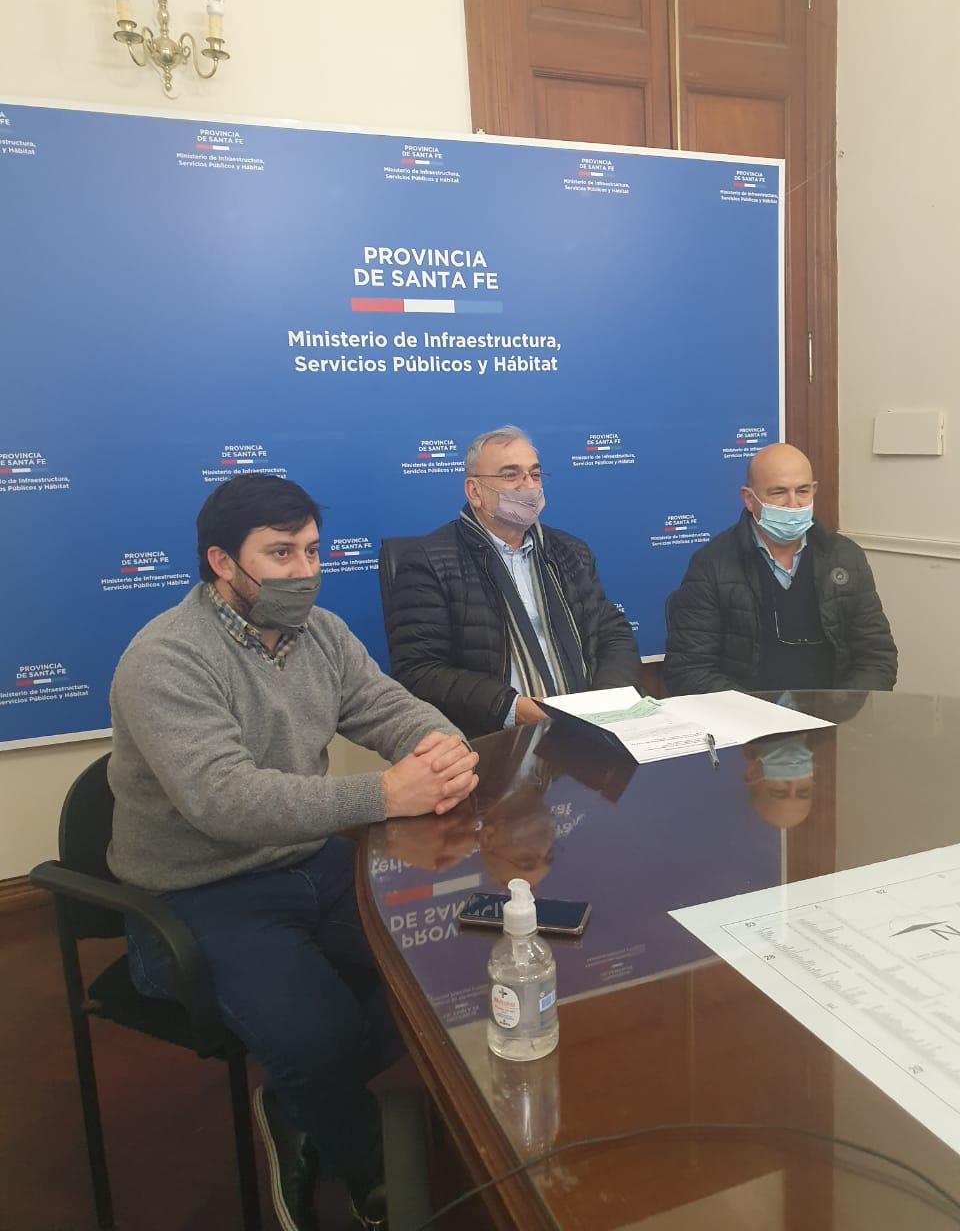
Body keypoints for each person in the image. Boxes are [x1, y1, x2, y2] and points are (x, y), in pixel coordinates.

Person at [107, 473, 479, 1231]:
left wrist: (442, 748)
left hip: (308, 862)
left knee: (448, 963)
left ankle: (299, 1098)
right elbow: (223, 800)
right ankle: (360, 1162)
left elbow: (387, 707)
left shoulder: (322, 634)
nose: (304, 570)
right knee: (322, 1035)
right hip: (195, 891)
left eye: (311, 550)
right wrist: (386, 795)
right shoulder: (166, 658)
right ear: (222, 562)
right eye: (280, 553)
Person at [384, 425, 641, 738]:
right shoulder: (429, 563)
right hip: (493, 738)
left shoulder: (571, 553)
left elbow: (612, 634)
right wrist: (510, 707)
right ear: (474, 491)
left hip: (587, 729)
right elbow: (420, 671)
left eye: (535, 474)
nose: (528, 486)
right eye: (511, 475)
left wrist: (607, 701)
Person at [663, 442, 897, 696]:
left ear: (814, 490)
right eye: (778, 492)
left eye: (802, 491)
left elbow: (877, 658)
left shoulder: (845, 557)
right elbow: (689, 670)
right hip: (747, 716)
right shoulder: (712, 564)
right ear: (749, 499)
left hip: (831, 714)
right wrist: (759, 713)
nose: (793, 504)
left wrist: (838, 709)